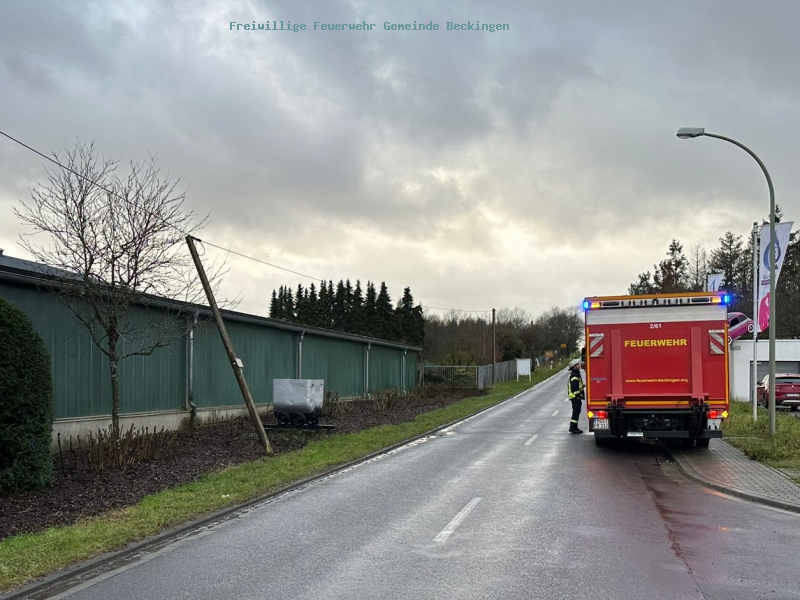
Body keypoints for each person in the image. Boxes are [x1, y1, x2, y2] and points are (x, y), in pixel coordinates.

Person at [567, 359, 584, 434]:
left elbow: (578, 385)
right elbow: (574, 388)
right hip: (575, 397)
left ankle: (574, 427)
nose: (579, 365)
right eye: (577, 364)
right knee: (576, 412)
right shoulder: (574, 375)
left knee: (576, 411)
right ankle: (573, 427)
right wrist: (578, 396)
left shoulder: (575, 374)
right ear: (574, 367)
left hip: (575, 397)